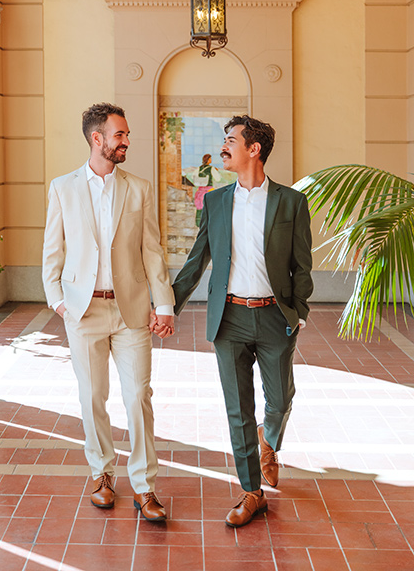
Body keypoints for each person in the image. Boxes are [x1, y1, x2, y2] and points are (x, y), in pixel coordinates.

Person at [165, 115, 313, 528]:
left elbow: (303, 265)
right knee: (238, 409)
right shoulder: (215, 201)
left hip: (274, 317)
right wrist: (168, 307)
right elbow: (197, 261)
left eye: (231, 140)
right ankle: (251, 491)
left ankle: (270, 440)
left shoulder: (290, 202)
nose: (224, 146)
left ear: (255, 149)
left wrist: (298, 313)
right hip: (228, 318)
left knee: (280, 399)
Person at [42, 102, 175, 522]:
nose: (126, 142)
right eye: (120, 135)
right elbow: (53, 250)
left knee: (138, 396)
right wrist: (58, 300)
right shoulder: (63, 188)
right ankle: (101, 474)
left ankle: (144, 486)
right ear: (97, 138)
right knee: (92, 397)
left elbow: (152, 251)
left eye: (126, 135)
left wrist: (164, 304)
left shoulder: (138, 188)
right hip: (83, 312)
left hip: (130, 309)